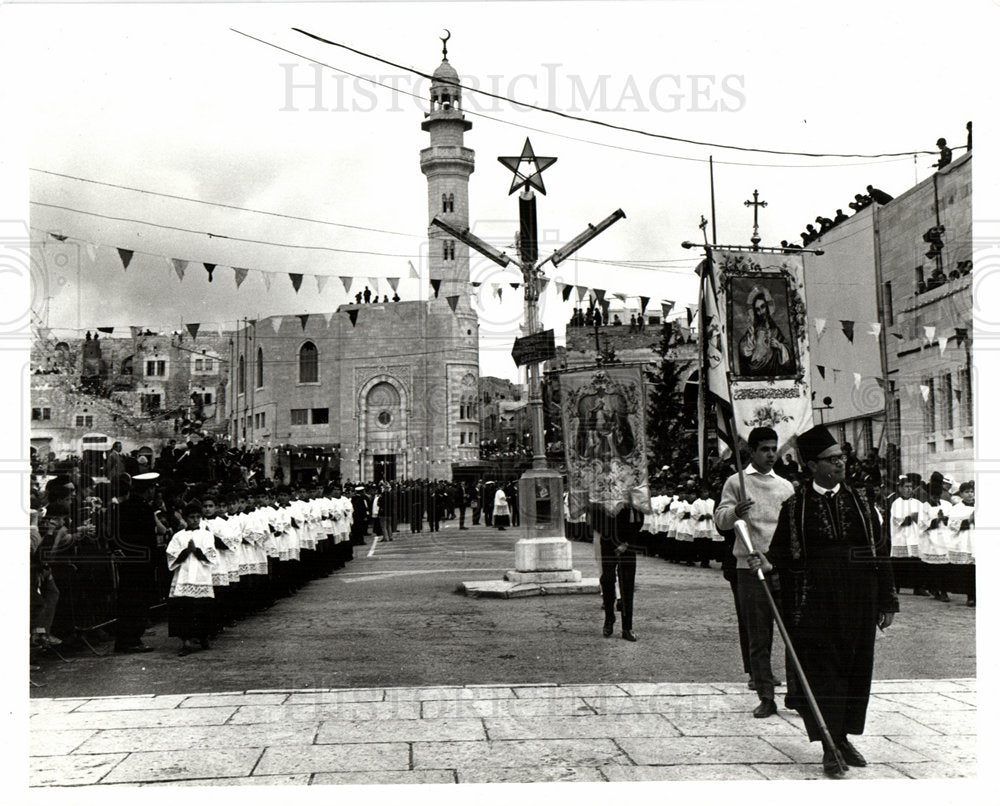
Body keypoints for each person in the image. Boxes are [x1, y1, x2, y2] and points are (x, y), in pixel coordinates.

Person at [752, 425, 898, 778]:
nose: (840, 464)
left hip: (859, 599)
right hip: (814, 602)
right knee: (822, 672)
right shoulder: (795, 506)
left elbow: (880, 551)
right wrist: (768, 562)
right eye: (832, 460)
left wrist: (887, 600)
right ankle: (829, 745)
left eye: (841, 458)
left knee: (855, 670)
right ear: (812, 465)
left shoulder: (863, 500)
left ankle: (845, 737)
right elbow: (781, 554)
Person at [715, 427, 794, 718]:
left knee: (792, 634)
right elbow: (721, 521)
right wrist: (736, 511)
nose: (771, 454)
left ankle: (796, 695)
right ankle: (765, 695)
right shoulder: (737, 483)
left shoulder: (786, 486)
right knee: (759, 637)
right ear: (752, 451)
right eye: (764, 449)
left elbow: (793, 532)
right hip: (749, 568)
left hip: (782, 569)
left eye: (774, 449)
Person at [165, 501, 219, 656]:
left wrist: (197, 551)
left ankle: (203, 637)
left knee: (201, 607)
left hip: (201, 576)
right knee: (184, 608)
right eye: (191, 517)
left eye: (197, 517)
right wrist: (185, 552)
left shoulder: (207, 534)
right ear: (185, 518)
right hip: (183, 575)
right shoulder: (178, 536)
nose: (195, 520)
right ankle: (186, 641)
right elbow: (171, 555)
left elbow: (212, 555)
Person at [592, 502, 643, 642]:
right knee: (607, 579)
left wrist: (626, 544)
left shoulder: (631, 499)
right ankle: (609, 618)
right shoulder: (602, 497)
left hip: (627, 545)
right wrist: (613, 541)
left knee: (627, 583)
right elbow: (595, 521)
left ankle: (627, 627)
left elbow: (638, 522)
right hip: (608, 543)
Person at [738, 289, 793, 376]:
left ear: (767, 307)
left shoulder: (775, 330)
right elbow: (744, 352)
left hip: (773, 370)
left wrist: (779, 346)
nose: (760, 312)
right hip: (755, 372)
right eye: (757, 309)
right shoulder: (753, 331)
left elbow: (788, 350)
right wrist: (751, 338)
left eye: (762, 307)